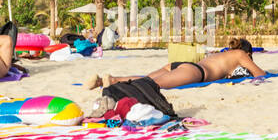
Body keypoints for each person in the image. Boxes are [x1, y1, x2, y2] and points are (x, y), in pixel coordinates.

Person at [87, 37, 265, 91]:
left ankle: (108, 80)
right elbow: (260, 73)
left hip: (181, 65)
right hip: (195, 72)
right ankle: (111, 80)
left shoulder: (224, 54)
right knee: (152, 84)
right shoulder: (242, 54)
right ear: (247, 52)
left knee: (147, 79)